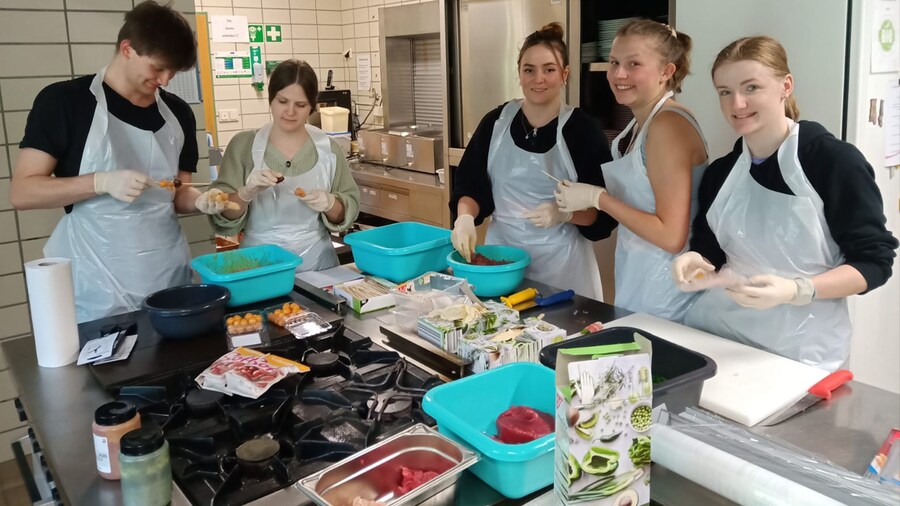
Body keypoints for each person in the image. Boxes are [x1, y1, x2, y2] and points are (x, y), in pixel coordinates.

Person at [671, 36, 898, 371]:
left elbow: (874, 263)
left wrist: (797, 290)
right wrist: (697, 260)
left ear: (785, 86)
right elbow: (712, 249)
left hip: (801, 353)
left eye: (751, 87)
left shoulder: (834, 163)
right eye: (724, 92)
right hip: (720, 336)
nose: (737, 104)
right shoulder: (722, 172)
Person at [10, 1, 206, 323]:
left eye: (174, 71)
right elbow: (23, 192)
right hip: (98, 287)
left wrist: (204, 201)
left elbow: (178, 192)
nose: (166, 80)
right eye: (158, 68)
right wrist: (100, 182)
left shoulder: (178, 114)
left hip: (169, 277)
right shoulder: (66, 102)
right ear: (127, 48)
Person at [553, 19, 708, 322]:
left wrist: (599, 199)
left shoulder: (667, 126)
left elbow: (671, 236)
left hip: (669, 292)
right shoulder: (637, 126)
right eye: (614, 62)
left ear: (667, 71)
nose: (619, 74)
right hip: (638, 279)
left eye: (634, 64)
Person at [449, 22, 617, 300]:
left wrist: (564, 214)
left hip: (562, 269)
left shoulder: (583, 131)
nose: (538, 79)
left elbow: (600, 213)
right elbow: (470, 183)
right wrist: (465, 217)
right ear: (519, 74)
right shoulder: (496, 122)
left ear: (564, 74)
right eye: (529, 70)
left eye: (549, 69)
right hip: (501, 265)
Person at [199, 59, 360, 271]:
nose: (290, 112)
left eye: (300, 105)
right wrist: (245, 194)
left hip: (319, 267)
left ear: (312, 106)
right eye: (282, 101)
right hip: (259, 267)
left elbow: (346, 212)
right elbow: (224, 214)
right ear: (271, 99)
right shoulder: (243, 146)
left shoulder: (328, 149)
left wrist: (331, 204)